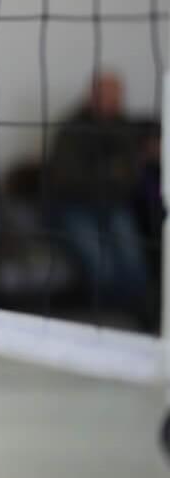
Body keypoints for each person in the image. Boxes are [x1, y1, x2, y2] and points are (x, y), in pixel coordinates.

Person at [49, 70, 153, 331]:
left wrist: (108, 172)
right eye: (109, 95)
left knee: (133, 260)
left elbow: (131, 173)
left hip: (115, 206)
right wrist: (111, 172)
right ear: (92, 96)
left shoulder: (124, 127)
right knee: (100, 263)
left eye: (118, 95)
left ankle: (138, 320)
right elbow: (69, 177)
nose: (115, 101)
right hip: (75, 207)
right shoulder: (71, 129)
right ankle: (110, 324)